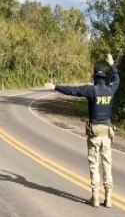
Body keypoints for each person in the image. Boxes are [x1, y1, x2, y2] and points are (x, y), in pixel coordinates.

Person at [47, 54, 120, 208]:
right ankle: (108, 197)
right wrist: (112, 65)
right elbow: (117, 79)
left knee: (94, 164)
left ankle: (94, 197)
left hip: (94, 134)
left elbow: (73, 90)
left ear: (94, 78)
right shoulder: (110, 90)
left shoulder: (91, 90)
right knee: (107, 164)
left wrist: (55, 86)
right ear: (104, 78)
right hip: (106, 134)